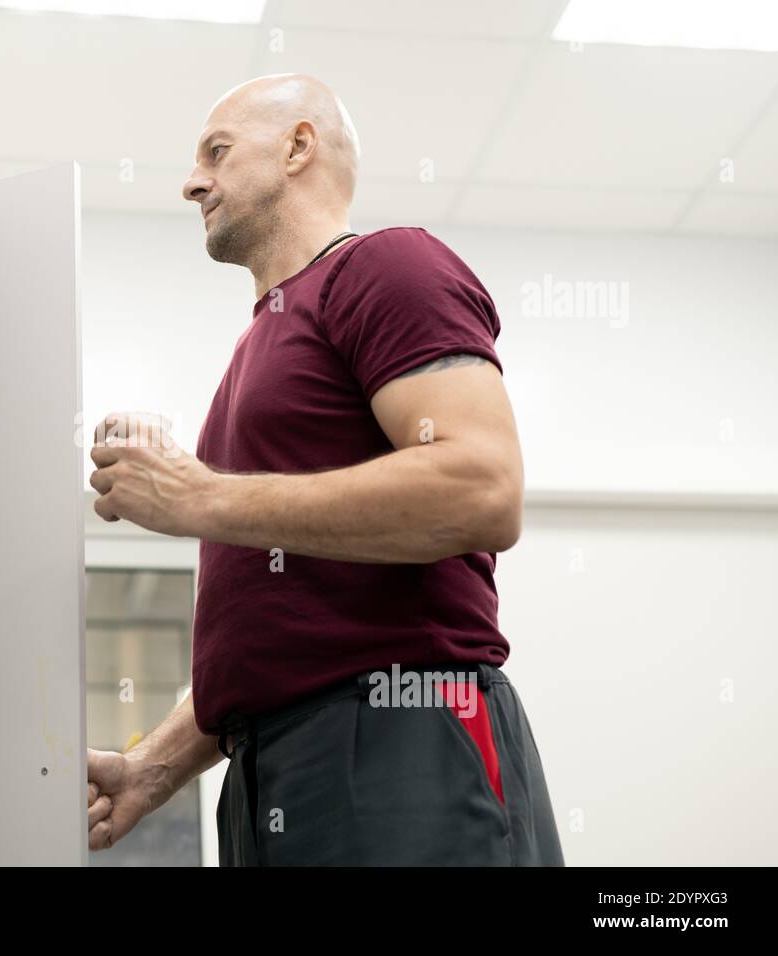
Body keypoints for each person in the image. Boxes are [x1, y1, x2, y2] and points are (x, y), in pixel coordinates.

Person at [85, 73, 564, 866]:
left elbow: (482, 487)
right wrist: (153, 769)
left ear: (298, 146)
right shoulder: (255, 351)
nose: (191, 180)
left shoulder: (386, 266)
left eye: (217, 151)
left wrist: (198, 495)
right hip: (265, 769)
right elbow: (279, 631)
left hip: (401, 735)